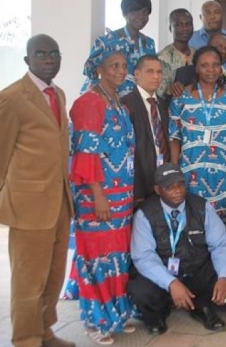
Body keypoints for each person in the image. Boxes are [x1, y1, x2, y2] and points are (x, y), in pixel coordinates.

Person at [0, 34, 74, 347]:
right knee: (28, 280)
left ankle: (45, 331)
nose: (48, 59)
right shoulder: (11, 98)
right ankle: (26, 339)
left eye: (54, 53)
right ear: (28, 60)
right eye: (41, 54)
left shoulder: (58, 94)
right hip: (29, 206)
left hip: (61, 202)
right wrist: (16, 188)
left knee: (53, 275)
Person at [70, 44, 137, 344]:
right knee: (96, 258)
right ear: (99, 69)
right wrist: (98, 195)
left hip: (121, 196)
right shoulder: (89, 102)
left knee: (117, 256)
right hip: (98, 197)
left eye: (124, 65)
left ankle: (117, 314)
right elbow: (86, 154)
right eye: (114, 66)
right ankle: (95, 320)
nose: (121, 71)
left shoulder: (119, 104)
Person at [128, 163, 226, 334]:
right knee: (140, 289)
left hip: (194, 269)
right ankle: (157, 315)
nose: (177, 190)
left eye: (180, 184)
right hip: (163, 273)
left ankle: (202, 308)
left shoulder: (201, 207)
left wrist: (223, 278)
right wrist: (171, 282)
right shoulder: (145, 213)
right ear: (157, 189)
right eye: (169, 187)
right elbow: (143, 257)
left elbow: (220, 244)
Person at [168, 45, 226, 223]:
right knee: (193, 220)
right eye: (205, 65)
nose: (211, 69)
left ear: (221, 67)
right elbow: (174, 137)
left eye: (215, 65)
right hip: (190, 172)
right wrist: (175, 171)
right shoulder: (181, 97)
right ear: (196, 68)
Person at [81, 0, 156, 97]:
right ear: (124, 14)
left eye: (144, 12)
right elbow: (90, 72)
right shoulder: (106, 41)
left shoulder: (149, 43)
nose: (140, 17)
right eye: (134, 12)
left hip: (138, 100)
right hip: (109, 99)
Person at [121, 55, 170, 208]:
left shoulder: (163, 104)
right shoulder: (126, 104)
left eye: (159, 72)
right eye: (150, 71)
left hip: (163, 179)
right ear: (137, 74)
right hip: (139, 182)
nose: (156, 76)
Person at [189, 0, 226, 75]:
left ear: (222, 15)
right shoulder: (190, 39)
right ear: (201, 17)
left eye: (217, 12)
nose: (213, 17)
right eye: (208, 13)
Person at [157, 8, 195, 99]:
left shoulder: (197, 55)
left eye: (188, 24)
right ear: (171, 28)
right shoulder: (162, 57)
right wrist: (170, 88)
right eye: (178, 25)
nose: (185, 28)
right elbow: (156, 89)